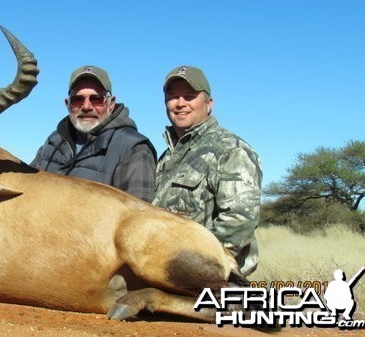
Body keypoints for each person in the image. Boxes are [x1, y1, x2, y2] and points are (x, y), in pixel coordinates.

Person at [152, 65, 262, 276]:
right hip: (161, 272)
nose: (180, 103)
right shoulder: (166, 158)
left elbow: (238, 223)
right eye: (173, 97)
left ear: (208, 104)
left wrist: (183, 265)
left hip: (206, 278)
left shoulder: (231, 150)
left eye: (190, 96)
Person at [31, 65, 156, 202]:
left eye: (96, 99)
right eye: (77, 100)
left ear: (111, 103)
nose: (86, 107)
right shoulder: (53, 142)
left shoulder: (133, 148)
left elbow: (138, 217)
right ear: (68, 104)